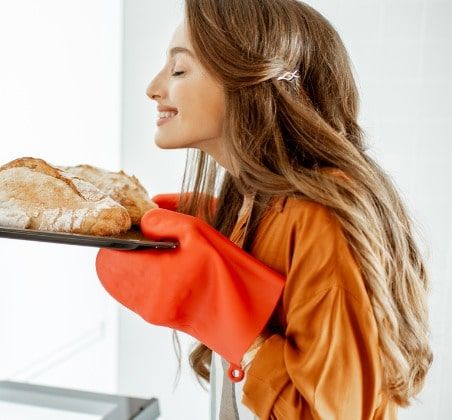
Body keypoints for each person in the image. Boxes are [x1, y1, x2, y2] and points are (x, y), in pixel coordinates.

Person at [95, 0, 432, 418]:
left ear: (248, 81)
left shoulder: (319, 218)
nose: (154, 87)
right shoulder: (250, 198)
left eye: (179, 70)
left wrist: (230, 320)